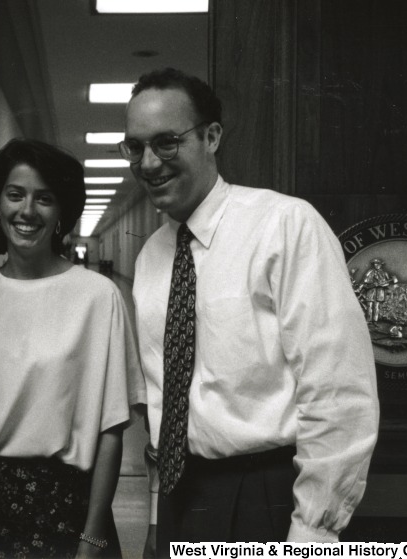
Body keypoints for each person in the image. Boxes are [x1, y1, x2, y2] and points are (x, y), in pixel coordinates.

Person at [122, 68, 379, 552]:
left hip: (271, 498)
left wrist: (313, 536)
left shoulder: (284, 226)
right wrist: (160, 516)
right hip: (183, 497)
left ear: (212, 137)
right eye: (135, 147)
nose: (149, 163)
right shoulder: (152, 256)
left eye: (167, 143)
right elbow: (163, 402)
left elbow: (339, 395)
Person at [0, 138, 146, 558]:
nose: (27, 211)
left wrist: (92, 536)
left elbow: (110, 429)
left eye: (44, 199)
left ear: (61, 213)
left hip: (67, 506)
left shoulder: (96, 296)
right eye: (15, 195)